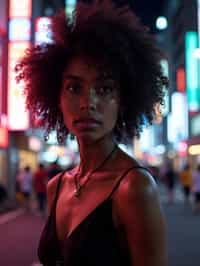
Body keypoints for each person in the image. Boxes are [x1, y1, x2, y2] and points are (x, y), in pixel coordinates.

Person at [16, 1, 168, 265]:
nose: (89, 102)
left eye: (105, 88)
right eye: (75, 88)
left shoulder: (135, 188)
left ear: (123, 101)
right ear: (56, 98)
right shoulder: (57, 185)